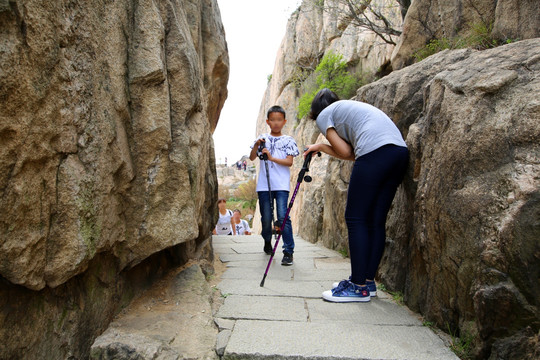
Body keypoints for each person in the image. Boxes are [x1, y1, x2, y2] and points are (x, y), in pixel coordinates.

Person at [304, 88, 408, 303]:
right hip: (399, 153)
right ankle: (367, 282)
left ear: (316, 111)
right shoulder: (351, 109)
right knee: (375, 221)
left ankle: (357, 286)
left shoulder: (324, 115)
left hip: (375, 152)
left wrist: (322, 145)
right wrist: (322, 146)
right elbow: (352, 154)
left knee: (356, 218)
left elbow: (344, 153)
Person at [249, 105, 299, 265]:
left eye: (279, 120)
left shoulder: (288, 140)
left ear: (284, 121)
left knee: (283, 217)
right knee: (266, 218)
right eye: (273, 120)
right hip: (264, 186)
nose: (276, 123)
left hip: (282, 186)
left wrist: (271, 158)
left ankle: (288, 251)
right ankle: (267, 241)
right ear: (268, 121)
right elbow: (251, 158)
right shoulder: (262, 138)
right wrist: (257, 145)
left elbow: (289, 162)